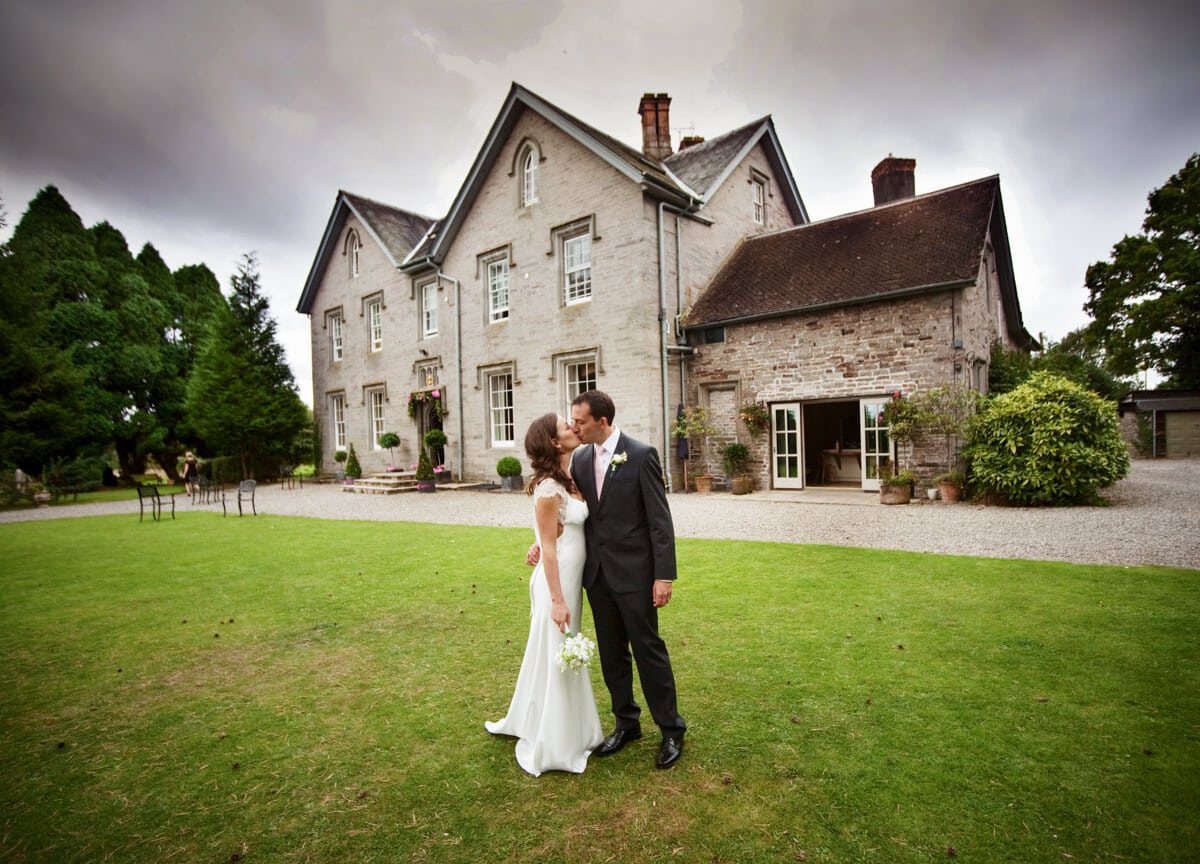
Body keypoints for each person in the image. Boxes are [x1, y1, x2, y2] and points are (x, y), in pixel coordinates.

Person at [534, 390, 686, 769]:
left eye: (581, 422)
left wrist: (663, 575)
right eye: (572, 420)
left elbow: (660, 522)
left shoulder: (641, 454)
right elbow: (568, 512)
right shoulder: (581, 458)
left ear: (602, 421)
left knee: (649, 651)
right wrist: (538, 544)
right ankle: (626, 723)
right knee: (612, 655)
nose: (575, 427)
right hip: (596, 577)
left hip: (636, 577)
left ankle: (671, 730)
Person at [486, 414, 604, 776]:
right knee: (557, 652)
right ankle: (555, 739)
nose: (572, 427)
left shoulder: (569, 476)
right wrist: (556, 598)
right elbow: (551, 549)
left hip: (570, 577)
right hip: (557, 583)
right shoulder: (548, 488)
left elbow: (550, 534)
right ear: (554, 443)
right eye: (565, 427)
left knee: (560, 650)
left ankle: (570, 726)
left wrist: (536, 544)